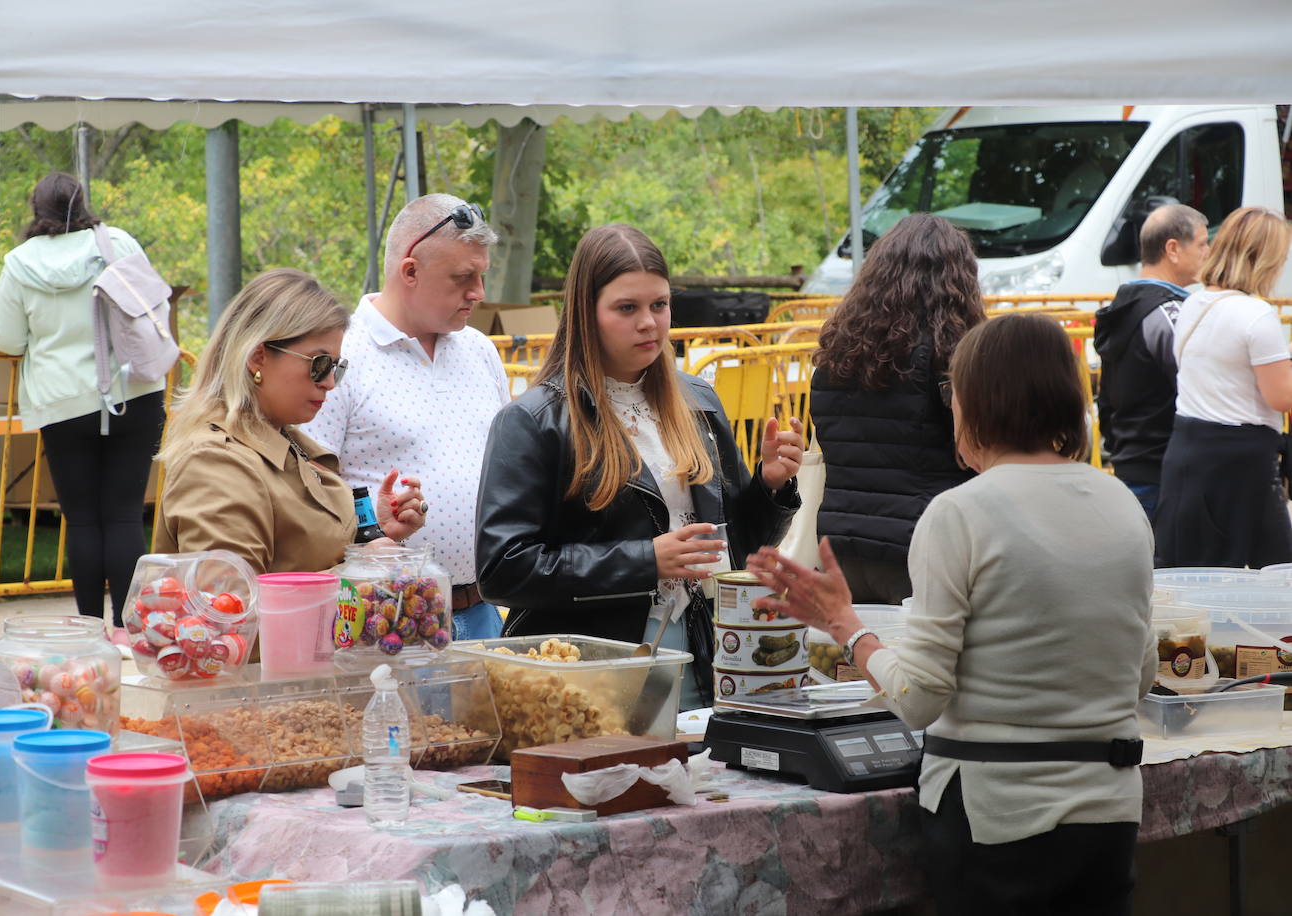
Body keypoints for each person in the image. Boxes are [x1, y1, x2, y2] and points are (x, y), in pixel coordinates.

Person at [748, 314, 1155, 916]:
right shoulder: (1121, 503)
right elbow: (1140, 674)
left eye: (953, 394)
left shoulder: (961, 513)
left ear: (978, 403)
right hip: (1109, 811)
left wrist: (846, 625)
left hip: (996, 819)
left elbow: (918, 697)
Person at [476, 224, 802, 706]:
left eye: (660, 305)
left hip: (704, 655)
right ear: (587, 314)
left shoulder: (700, 401)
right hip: (587, 677)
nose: (649, 322)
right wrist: (645, 560)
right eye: (627, 308)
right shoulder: (534, 421)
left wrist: (772, 489)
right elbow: (503, 569)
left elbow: (732, 549)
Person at [302, 193, 507, 639]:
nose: (479, 293)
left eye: (481, 275)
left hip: (483, 610)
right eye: (463, 278)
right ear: (410, 270)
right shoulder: (342, 354)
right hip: (387, 619)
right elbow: (307, 491)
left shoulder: (480, 350)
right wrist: (370, 528)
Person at [156, 268, 425, 575]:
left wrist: (369, 537)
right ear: (258, 357)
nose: (329, 382)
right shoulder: (213, 463)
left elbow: (302, 552)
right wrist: (362, 572)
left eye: (337, 367)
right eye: (319, 364)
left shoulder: (283, 442)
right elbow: (232, 609)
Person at [0, 173, 166, 627]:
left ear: (36, 209)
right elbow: (153, 305)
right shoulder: (119, 243)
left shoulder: (17, 263)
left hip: (63, 401)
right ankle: (129, 629)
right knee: (126, 516)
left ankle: (90, 627)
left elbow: (8, 339)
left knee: (84, 520)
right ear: (82, 202)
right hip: (134, 392)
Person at [809, 213, 983, 605]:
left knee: (851, 663)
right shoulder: (953, 358)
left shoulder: (836, 357)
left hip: (840, 550)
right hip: (923, 549)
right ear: (959, 281)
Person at [1156, 206, 1292, 568]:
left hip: (1188, 448)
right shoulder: (1255, 315)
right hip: (1242, 460)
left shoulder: (1193, 303)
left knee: (1196, 572)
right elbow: (1281, 396)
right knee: (1277, 574)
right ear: (1266, 259)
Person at [1095, 204, 1209, 523]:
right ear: (1172, 248)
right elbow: (1199, 385)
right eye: (1201, 243)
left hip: (1131, 463)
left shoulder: (1122, 306)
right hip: (1166, 469)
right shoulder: (1169, 314)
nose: (1209, 252)